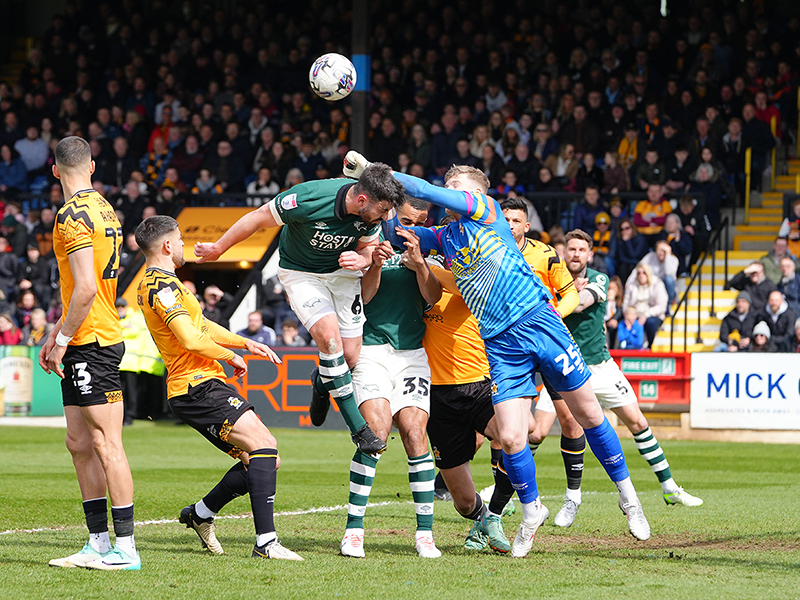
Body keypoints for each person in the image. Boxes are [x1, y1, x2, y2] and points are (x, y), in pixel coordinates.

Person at [347, 152, 651, 552]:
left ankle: (628, 497)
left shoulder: (487, 211)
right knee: (511, 437)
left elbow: (422, 189)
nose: (448, 194)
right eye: (449, 187)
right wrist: (372, 219)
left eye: (455, 188)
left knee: (589, 413)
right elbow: (400, 234)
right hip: (500, 344)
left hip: (538, 322)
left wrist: (372, 170)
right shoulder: (446, 235)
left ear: (473, 193)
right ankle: (531, 511)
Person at [194, 163, 405, 455]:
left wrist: (365, 259)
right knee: (329, 340)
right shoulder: (308, 198)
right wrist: (219, 247)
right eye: (382, 211)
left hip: (341, 273)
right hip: (301, 273)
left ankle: (321, 381)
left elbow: (369, 249)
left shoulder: (371, 212)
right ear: (361, 200)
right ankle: (359, 430)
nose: (385, 218)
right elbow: (257, 218)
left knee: (351, 356)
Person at [134, 215, 302, 561]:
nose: (182, 245)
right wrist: (230, 356)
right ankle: (266, 543)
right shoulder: (159, 286)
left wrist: (244, 344)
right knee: (264, 444)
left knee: (265, 460)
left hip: (202, 383)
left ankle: (201, 513)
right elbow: (190, 338)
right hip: (194, 385)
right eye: (179, 239)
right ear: (167, 245)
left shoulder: (168, 283)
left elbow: (203, 325)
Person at [41, 136, 139, 570]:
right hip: (85, 334)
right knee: (79, 442)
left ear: (55, 170)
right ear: (93, 166)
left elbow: (84, 289)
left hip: (92, 341)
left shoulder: (71, 216)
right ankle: (97, 543)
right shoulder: (104, 208)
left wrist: (62, 340)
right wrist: (56, 334)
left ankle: (126, 550)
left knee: (105, 443)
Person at [557, 231, 701, 521]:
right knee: (537, 430)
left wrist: (562, 295)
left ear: (589, 254)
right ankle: (510, 494)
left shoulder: (599, 277)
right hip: (564, 366)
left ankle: (670, 487)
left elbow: (582, 302)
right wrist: (562, 291)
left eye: (581, 249)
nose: (575, 254)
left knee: (637, 421)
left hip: (600, 365)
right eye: (571, 248)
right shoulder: (552, 278)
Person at [341, 197, 443, 559]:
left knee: (416, 433)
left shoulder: (432, 251)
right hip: (371, 351)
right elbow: (364, 299)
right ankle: (354, 531)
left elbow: (433, 299)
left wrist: (419, 266)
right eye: (405, 220)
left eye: (418, 222)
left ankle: (425, 534)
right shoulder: (368, 246)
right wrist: (376, 266)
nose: (410, 228)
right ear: (390, 217)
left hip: (412, 355)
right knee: (378, 432)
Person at [624, 263, 668, 349]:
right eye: (639, 273)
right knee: (619, 324)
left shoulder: (657, 284)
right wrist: (628, 315)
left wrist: (646, 315)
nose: (641, 275)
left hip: (652, 315)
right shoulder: (632, 285)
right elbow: (625, 303)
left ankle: (650, 347)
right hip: (634, 314)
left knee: (650, 322)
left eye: (644, 272)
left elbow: (661, 306)